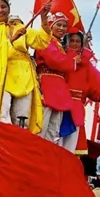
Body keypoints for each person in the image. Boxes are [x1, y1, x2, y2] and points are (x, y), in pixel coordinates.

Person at [0, 0, 51, 133]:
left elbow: (41, 41)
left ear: (9, 9)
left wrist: (44, 18)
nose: (1, 10)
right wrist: (13, 39)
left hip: (24, 76)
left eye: (4, 6)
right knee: (2, 114)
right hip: (3, 76)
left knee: (22, 118)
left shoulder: (20, 27)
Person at [35, 12, 76, 143]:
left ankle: (47, 158)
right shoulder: (45, 40)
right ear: (51, 26)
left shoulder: (60, 46)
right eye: (58, 25)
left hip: (59, 89)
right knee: (41, 126)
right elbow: (54, 60)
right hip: (47, 85)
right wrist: (72, 62)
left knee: (53, 130)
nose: (62, 28)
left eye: (64, 26)